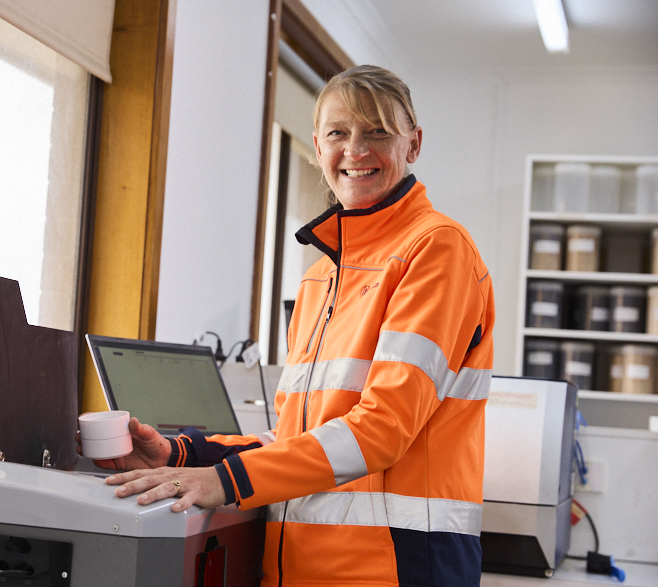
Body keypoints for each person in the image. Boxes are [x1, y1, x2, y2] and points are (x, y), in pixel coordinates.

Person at [77, 64, 495, 587]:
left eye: (378, 133)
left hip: (397, 568)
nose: (356, 151)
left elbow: (383, 429)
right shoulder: (323, 276)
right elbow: (297, 439)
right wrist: (183, 453)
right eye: (339, 133)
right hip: (303, 568)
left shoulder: (436, 248)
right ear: (318, 146)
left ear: (413, 144)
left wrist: (224, 482)